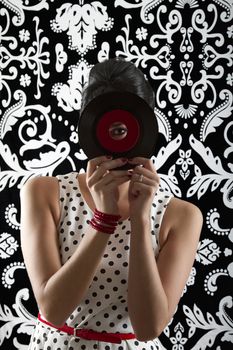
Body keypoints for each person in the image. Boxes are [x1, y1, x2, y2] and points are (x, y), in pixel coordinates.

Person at [20, 57, 203, 350]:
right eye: (112, 129)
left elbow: (148, 328)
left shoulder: (181, 215)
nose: (119, 143)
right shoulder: (43, 193)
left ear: (146, 126)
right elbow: (53, 310)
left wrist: (141, 220)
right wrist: (103, 218)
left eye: (127, 129)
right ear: (90, 127)